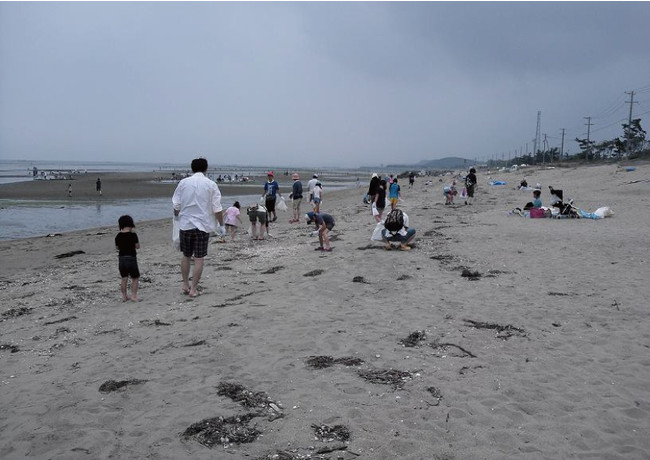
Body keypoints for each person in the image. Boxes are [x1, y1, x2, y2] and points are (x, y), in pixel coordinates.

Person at [172, 157, 224, 298]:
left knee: (186, 255)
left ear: (192, 168)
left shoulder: (183, 183)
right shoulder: (211, 184)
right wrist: (221, 224)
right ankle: (193, 288)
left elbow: (176, 205)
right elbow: (217, 208)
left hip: (186, 224)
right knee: (199, 258)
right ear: (206, 169)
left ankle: (185, 284)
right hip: (202, 225)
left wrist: (177, 218)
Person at [115, 215, 140, 301]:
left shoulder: (118, 236)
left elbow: (117, 248)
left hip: (121, 259)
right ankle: (133, 296)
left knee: (124, 278)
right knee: (135, 278)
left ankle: (124, 296)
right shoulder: (133, 235)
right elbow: (137, 246)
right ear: (131, 224)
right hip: (131, 258)